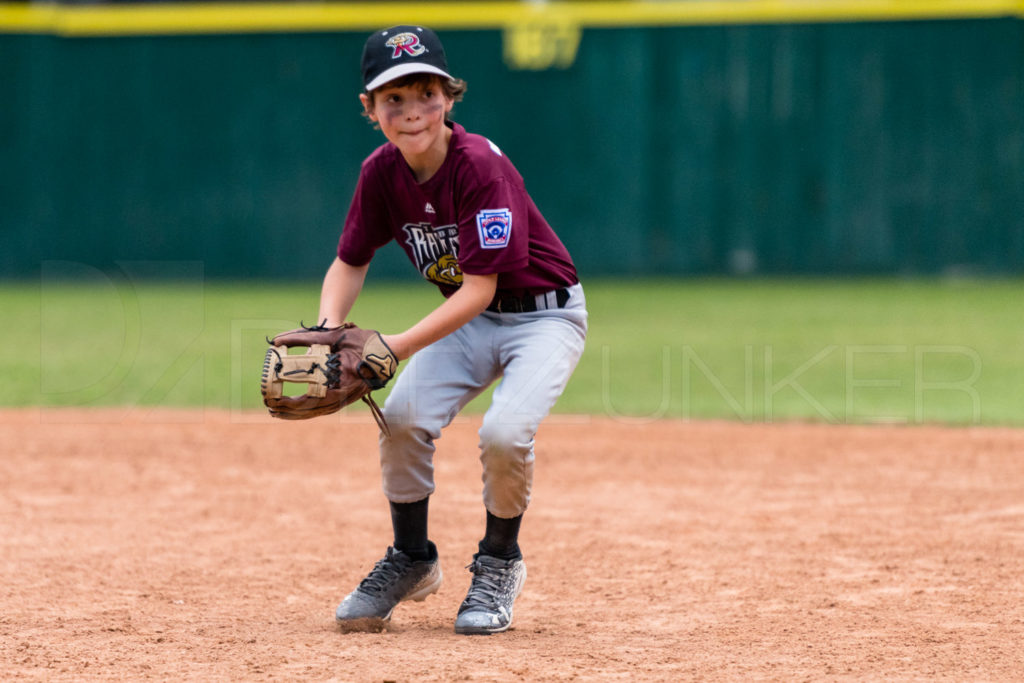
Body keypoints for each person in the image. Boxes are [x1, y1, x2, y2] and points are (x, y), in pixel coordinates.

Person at [324, 25, 587, 635]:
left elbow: (480, 287)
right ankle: (412, 558)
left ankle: (499, 562)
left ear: (450, 97)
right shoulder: (380, 173)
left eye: (426, 93)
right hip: (470, 321)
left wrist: (395, 347)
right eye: (394, 98)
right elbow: (350, 260)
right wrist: (330, 329)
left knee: (504, 431)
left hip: (544, 316)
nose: (412, 112)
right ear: (370, 108)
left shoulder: (480, 167)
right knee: (404, 420)